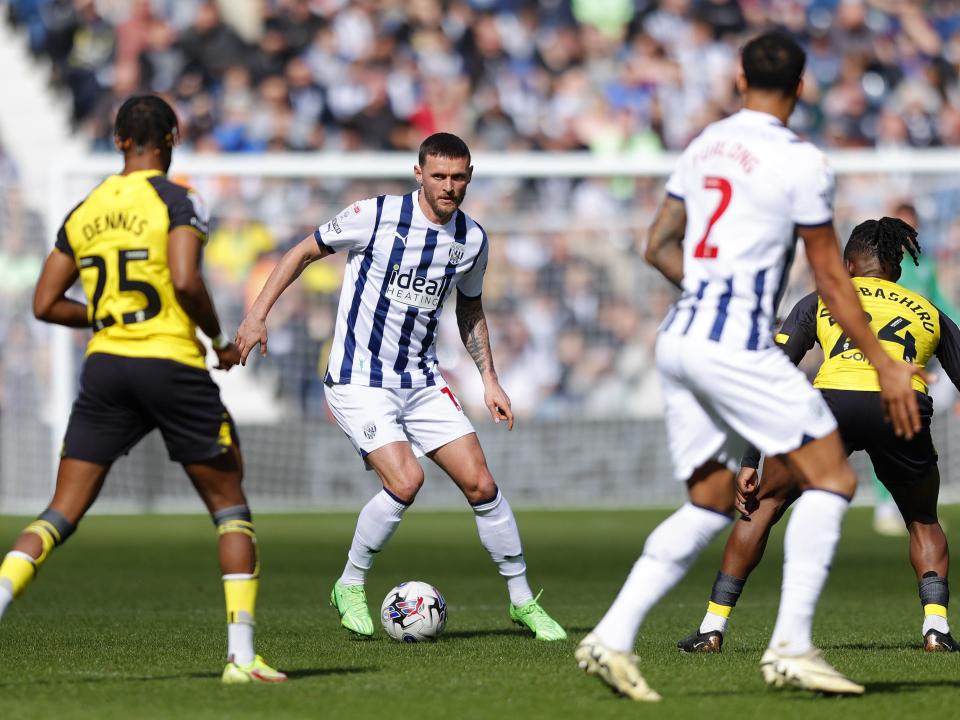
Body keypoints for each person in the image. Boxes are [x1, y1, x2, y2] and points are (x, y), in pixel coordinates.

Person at [575, 32, 922, 701]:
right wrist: (883, 362)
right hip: (734, 342)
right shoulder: (801, 161)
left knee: (709, 501)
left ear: (739, 79)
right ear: (801, 87)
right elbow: (829, 274)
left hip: (679, 338)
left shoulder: (704, 144)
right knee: (833, 478)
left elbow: (655, 246)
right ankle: (792, 645)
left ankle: (610, 638)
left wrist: (707, 291)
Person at [235, 132, 566, 641]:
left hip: (422, 379)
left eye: (458, 177)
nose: (448, 186)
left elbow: (470, 307)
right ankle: (349, 583)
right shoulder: (374, 215)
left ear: (470, 176)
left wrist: (490, 379)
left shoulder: (472, 240)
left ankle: (522, 601)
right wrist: (257, 316)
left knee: (481, 484)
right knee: (406, 481)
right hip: (357, 379)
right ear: (419, 174)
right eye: (438, 176)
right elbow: (302, 252)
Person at [0, 95, 285, 685]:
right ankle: (240, 658)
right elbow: (184, 278)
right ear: (173, 137)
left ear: (118, 140)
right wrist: (216, 340)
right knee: (230, 506)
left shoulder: (85, 209)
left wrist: (106, 317)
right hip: (171, 365)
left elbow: (45, 303)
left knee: (60, 512)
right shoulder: (177, 199)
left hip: (106, 367)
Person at [678, 217, 959, 655]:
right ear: (898, 270)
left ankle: (712, 627)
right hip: (901, 409)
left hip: (832, 407)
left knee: (764, 505)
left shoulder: (825, 297)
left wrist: (751, 459)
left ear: (848, 263)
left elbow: (776, 371)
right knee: (922, 519)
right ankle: (936, 629)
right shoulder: (927, 310)